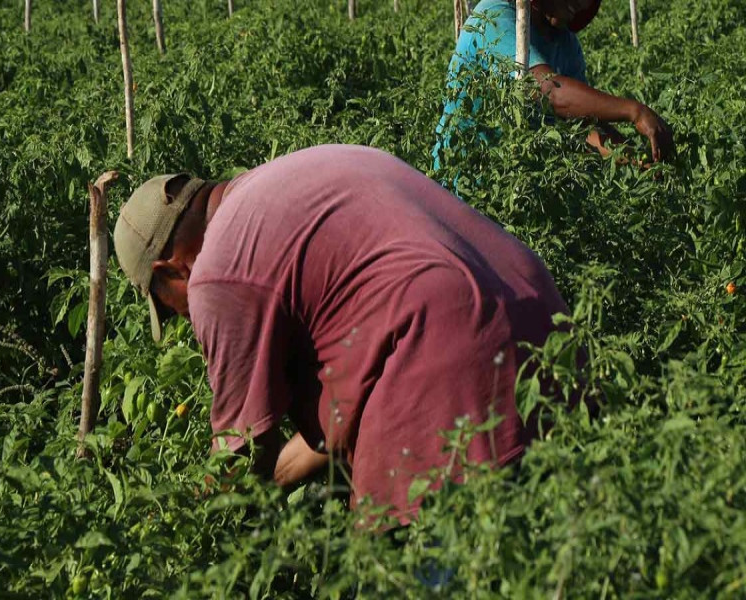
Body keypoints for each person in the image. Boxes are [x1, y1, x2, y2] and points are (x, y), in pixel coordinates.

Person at [114, 145, 571, 524]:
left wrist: (183, 526)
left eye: (169, 308)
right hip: (549, 332)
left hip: (452, 373)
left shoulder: (216, 273)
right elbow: (344, 409)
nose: (182, 318)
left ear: (170, 271)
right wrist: (279, 474)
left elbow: (242, 453)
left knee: (400, 574)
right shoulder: (293, 176)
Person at [433, 0, 675, 171]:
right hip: (466, 180)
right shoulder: (494, 17)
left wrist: (637, 161)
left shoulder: (565, 43)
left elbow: (582, 126)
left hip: (522, 186)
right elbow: (550, 92)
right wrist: (634, 111)